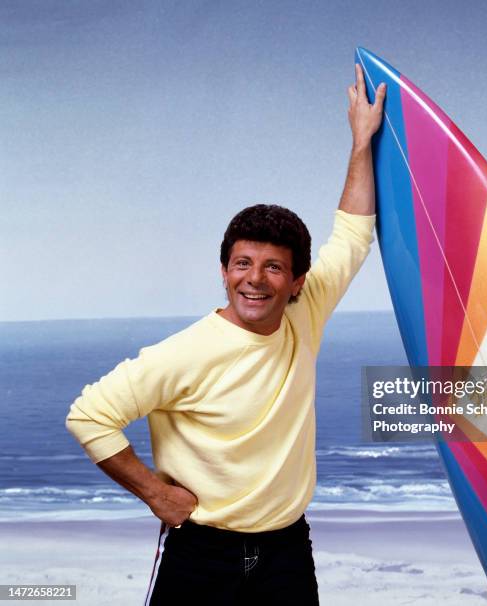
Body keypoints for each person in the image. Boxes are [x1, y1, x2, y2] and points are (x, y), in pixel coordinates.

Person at [66, 64, 386, 605]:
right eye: (242, 263)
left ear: (296, 282)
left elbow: (352, 234)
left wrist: (361, 142)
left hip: (286, 550)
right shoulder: (185, 353)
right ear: (224, 270)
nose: (255, 279)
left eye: (273, 268)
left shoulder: (306, 311)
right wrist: (154, 494)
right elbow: (89, 415)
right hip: (200, 555)